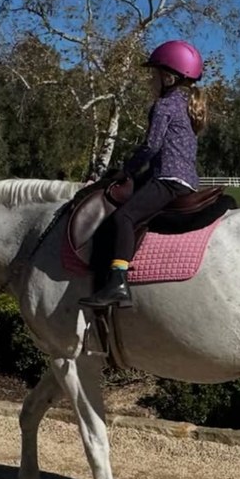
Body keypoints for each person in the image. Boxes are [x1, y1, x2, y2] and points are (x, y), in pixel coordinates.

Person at [80, 39, 208, 309]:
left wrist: (126, 170)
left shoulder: (164, 106)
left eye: (154, 74)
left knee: (124, 217)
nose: (151, 80)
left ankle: (117, 282)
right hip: (185, 180)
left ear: (168, 77)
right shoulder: (187, 106)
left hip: (168, 180)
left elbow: (152, 145)